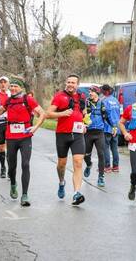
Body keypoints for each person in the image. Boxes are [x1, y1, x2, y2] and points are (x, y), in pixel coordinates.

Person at [0, 78, 45, 207]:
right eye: (12, 86)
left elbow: (42, 113)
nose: (13, 88)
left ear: (21, 88)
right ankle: (13, 184)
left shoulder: (28, 99)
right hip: (11, 137)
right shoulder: (8, 100)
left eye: (16, 86)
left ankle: (25, 195)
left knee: (25, 164)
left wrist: (36, 127)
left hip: (25, 136)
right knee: (12, 166)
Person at [47, 74, 87, 206]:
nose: (70, 84)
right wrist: (62, 114)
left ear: (77, 85)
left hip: (78, 134)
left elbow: (84, 113)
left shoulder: (82, 97)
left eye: (73, 82)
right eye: (68, 82)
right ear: (66, 83)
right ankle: (61, 182)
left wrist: (85, 124)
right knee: (62, 164)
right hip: (62, 135)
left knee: (78, 162)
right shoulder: (59, 96)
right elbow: (48, 113)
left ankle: (76, 193)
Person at [83, 86, 106, 187]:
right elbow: (82, 114)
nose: (90, 94)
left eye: (92, 92)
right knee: (86, 154)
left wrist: (114, 127)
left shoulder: (102, 103)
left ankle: (101, 177)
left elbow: (105, 116)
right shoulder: (86, 102)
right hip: (88, 132)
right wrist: (83, 116)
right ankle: (89, 164)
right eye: (89, 92)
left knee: (101, 154)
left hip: (99, 132)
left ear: (97, 93)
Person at [100, 84, 121, 173]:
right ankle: (116, 166)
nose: (101, 93)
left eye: (102, 91)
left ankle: (107, 167)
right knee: (114, 148)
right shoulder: (116, 101)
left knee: (105, 148)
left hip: (107, 128)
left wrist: (111, 126)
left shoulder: (104, 101)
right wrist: (115, 127)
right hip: (116, 127)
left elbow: (104, 115)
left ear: (106, 91)